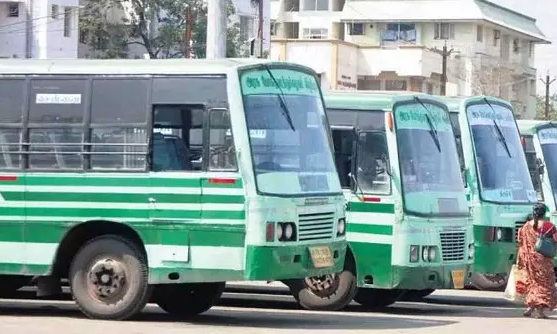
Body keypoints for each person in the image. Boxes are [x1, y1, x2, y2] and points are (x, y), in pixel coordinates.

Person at [517, 202, 557, 318]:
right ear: (544, 213)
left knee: (533, 283)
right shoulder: (549, 226)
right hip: (543, 262)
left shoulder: (525, 227)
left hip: (529, 262)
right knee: (545, 285)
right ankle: (540, 311)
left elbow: (520, 243)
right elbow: (555, 240)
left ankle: (530, 308)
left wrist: (519, 259)